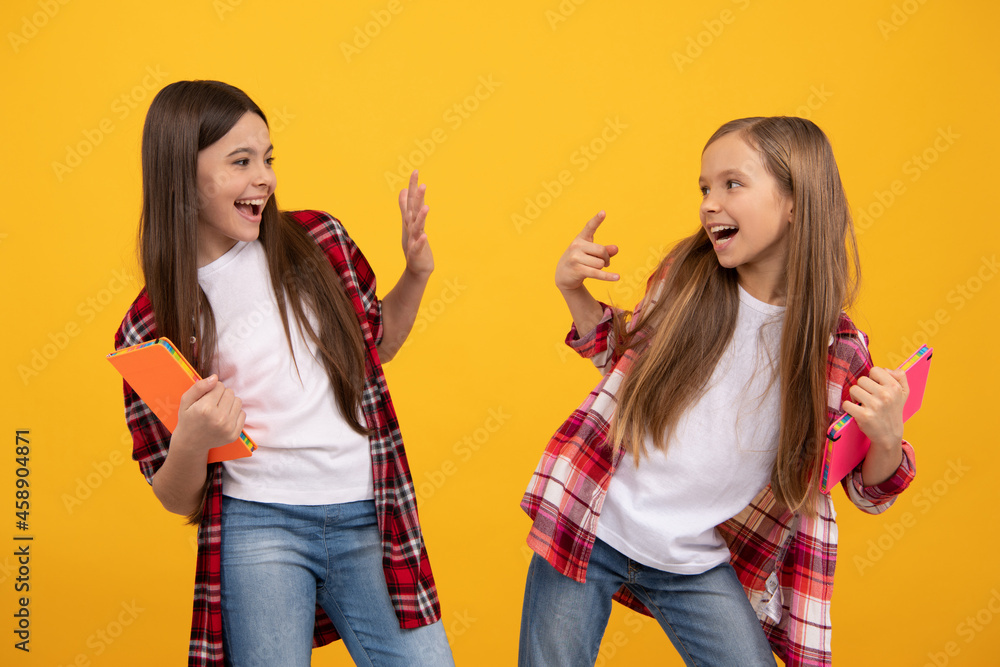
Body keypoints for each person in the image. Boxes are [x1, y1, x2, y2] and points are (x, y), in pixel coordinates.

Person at [519, 116, 916, 667]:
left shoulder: (836, 349)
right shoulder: (686, 279)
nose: (709, 202)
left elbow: (869, 492)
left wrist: (887, 437)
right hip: (594, 522)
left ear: (797, 199)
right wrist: (572, 291)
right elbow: (623, 365)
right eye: (704, 188)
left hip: (695, 561)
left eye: (733, 184)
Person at [114, 80, 454, 667]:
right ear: (182, 179)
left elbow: (380, 344)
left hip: (368, 514)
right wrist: (194, 438)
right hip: (258, 529)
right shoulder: (151, 327)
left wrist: (416, 273)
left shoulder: (320, 241)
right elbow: (173, 495)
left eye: (267, 159)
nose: (264, 178)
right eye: (240, 162)